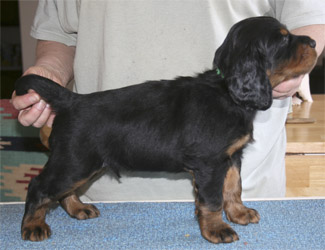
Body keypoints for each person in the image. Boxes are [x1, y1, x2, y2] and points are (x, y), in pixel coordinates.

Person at [11, 0, 325, 201]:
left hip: (251, 188)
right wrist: (49, 71)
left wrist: (288, 67)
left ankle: (230, 202)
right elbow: (60, 34)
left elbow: (309, 18)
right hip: (104, 184)